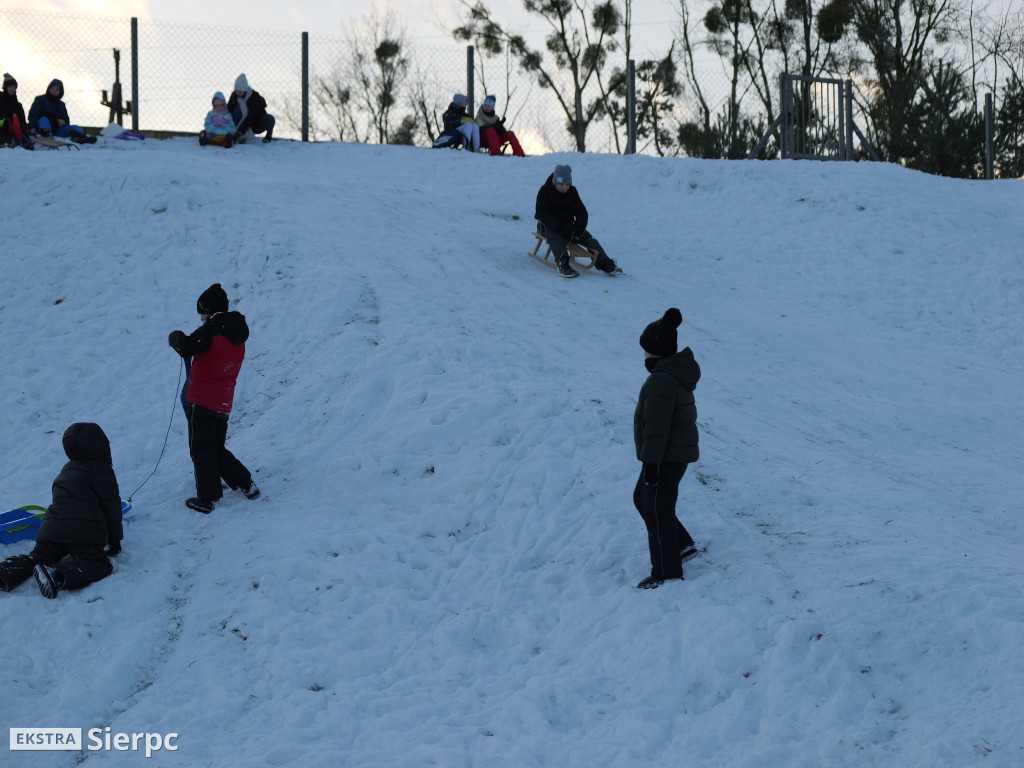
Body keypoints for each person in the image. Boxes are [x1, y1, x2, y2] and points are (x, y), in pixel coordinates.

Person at [0, 423, 123, 599]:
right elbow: (112, 508)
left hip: (52, 529)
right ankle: (56, 576)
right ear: (101, 445)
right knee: (97, 563)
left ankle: (5, 572)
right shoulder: (102, 471)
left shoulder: (66, 470)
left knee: (39, 556)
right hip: (82, 534)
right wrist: (115, 540)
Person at [168, 283, 259, 513]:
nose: (201, 318)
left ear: (212, 310)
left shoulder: (212, 329)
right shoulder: (237, 333)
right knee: (216, 447)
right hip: (224, 400)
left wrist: (175, 337)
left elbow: (188, 346)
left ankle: (207, 498)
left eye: (203, 313)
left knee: (201, 449)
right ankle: (246, 483)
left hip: (203, 399)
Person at [632, 308, 700, 589]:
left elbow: (658, 428)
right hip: (668, 454)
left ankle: (666, 571)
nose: (644, 355)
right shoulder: (669, 372)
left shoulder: (661, 380)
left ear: (657, 351)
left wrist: (651, 464)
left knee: (657, 511)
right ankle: (681, 544)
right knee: (643, 498)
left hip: (664, 457)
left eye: (647, 351)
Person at [535, 164, 622, 278]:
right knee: (556, 237)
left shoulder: (572, 192)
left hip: (567, 226)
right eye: (561, 184)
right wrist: (559, 228)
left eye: (567, 184)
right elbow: (542, 214)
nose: (564, 187)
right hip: (547, 226)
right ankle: (562, 264)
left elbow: (581, 211)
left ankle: (604, 263)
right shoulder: (545, 191)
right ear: (555, 181)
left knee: (588, 238)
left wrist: (579, 227)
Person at [27, 78, 95, 143]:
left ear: (60, 92)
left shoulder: (61, 104)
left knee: (76, 128)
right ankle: (46, 135)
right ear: (48, 89)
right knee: (43, 119)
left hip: (56, 129)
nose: (54, 90)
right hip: (41, 127)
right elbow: (33, 115)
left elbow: (66, 119)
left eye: (57, 89)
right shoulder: (40, 99)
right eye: (52, 88)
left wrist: (63, 121)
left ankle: (78, 137)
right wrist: (32, 127)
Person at [227, 74, 274, 144]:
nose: (238, 93)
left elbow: (251, 117)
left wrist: (239, 132)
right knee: (236, 112)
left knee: (269, 118)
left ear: (245, 90)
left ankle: (268, 135)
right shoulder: (234, 96)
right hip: (240, 123)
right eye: (236, 90)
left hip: (255, 123)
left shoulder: (255, 97)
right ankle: (234, 132)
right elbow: (228, 110)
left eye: (240, 91)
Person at [0, 73, 34, 149]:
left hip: (14, 128)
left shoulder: (18, 105)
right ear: (5, 87)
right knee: (4, 121)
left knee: (21, 125)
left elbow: (22, 119)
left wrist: (23, 124)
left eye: (14, 87)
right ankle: (4, 141)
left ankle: (26, 142)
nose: (12, 89)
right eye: (10, 87)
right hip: (2, 125)